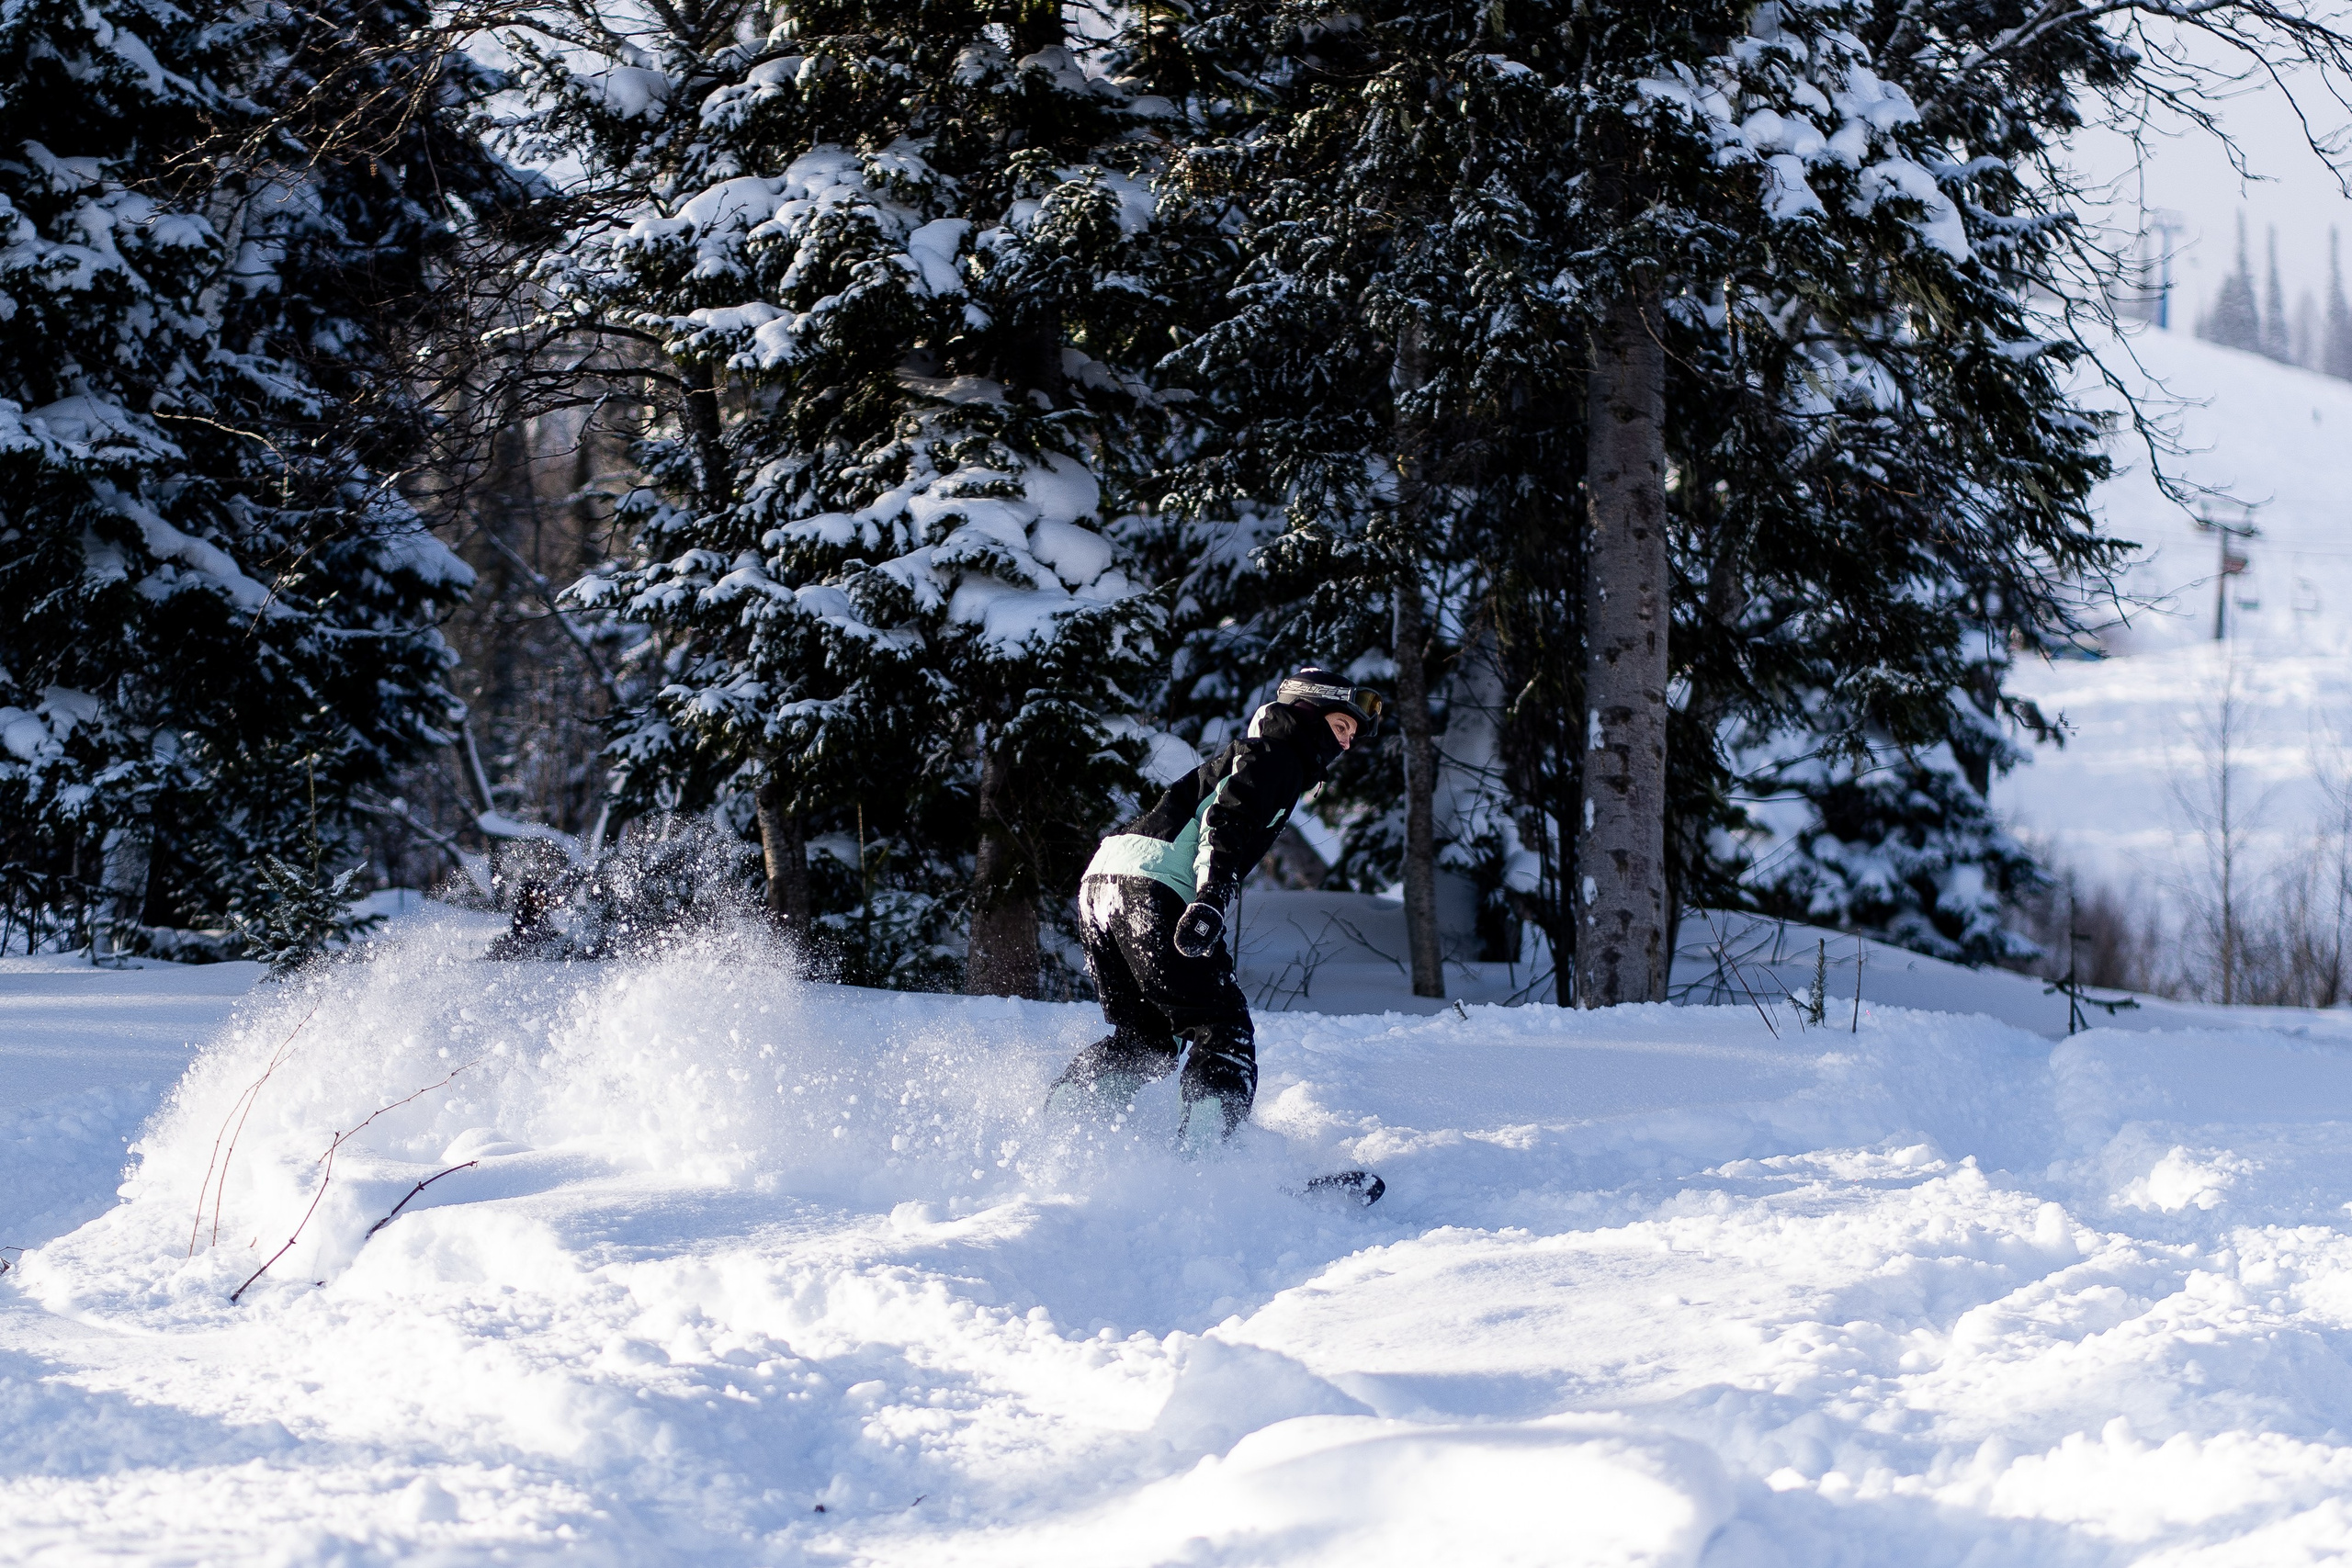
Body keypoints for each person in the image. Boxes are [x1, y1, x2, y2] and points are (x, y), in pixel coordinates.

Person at [1049, 669, 1386, 1147]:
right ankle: (1206, 1166)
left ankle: (1060, 1135)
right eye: (1342, 725)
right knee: (1224, 1032)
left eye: (1353, 735)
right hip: (1158, 885)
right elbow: (1226, 818)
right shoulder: (1277, 755)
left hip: (1104, 884)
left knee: (1146, 1039)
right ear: (1310, 708)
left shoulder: (1256, 755)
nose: (1347, 743)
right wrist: (1212, 895)